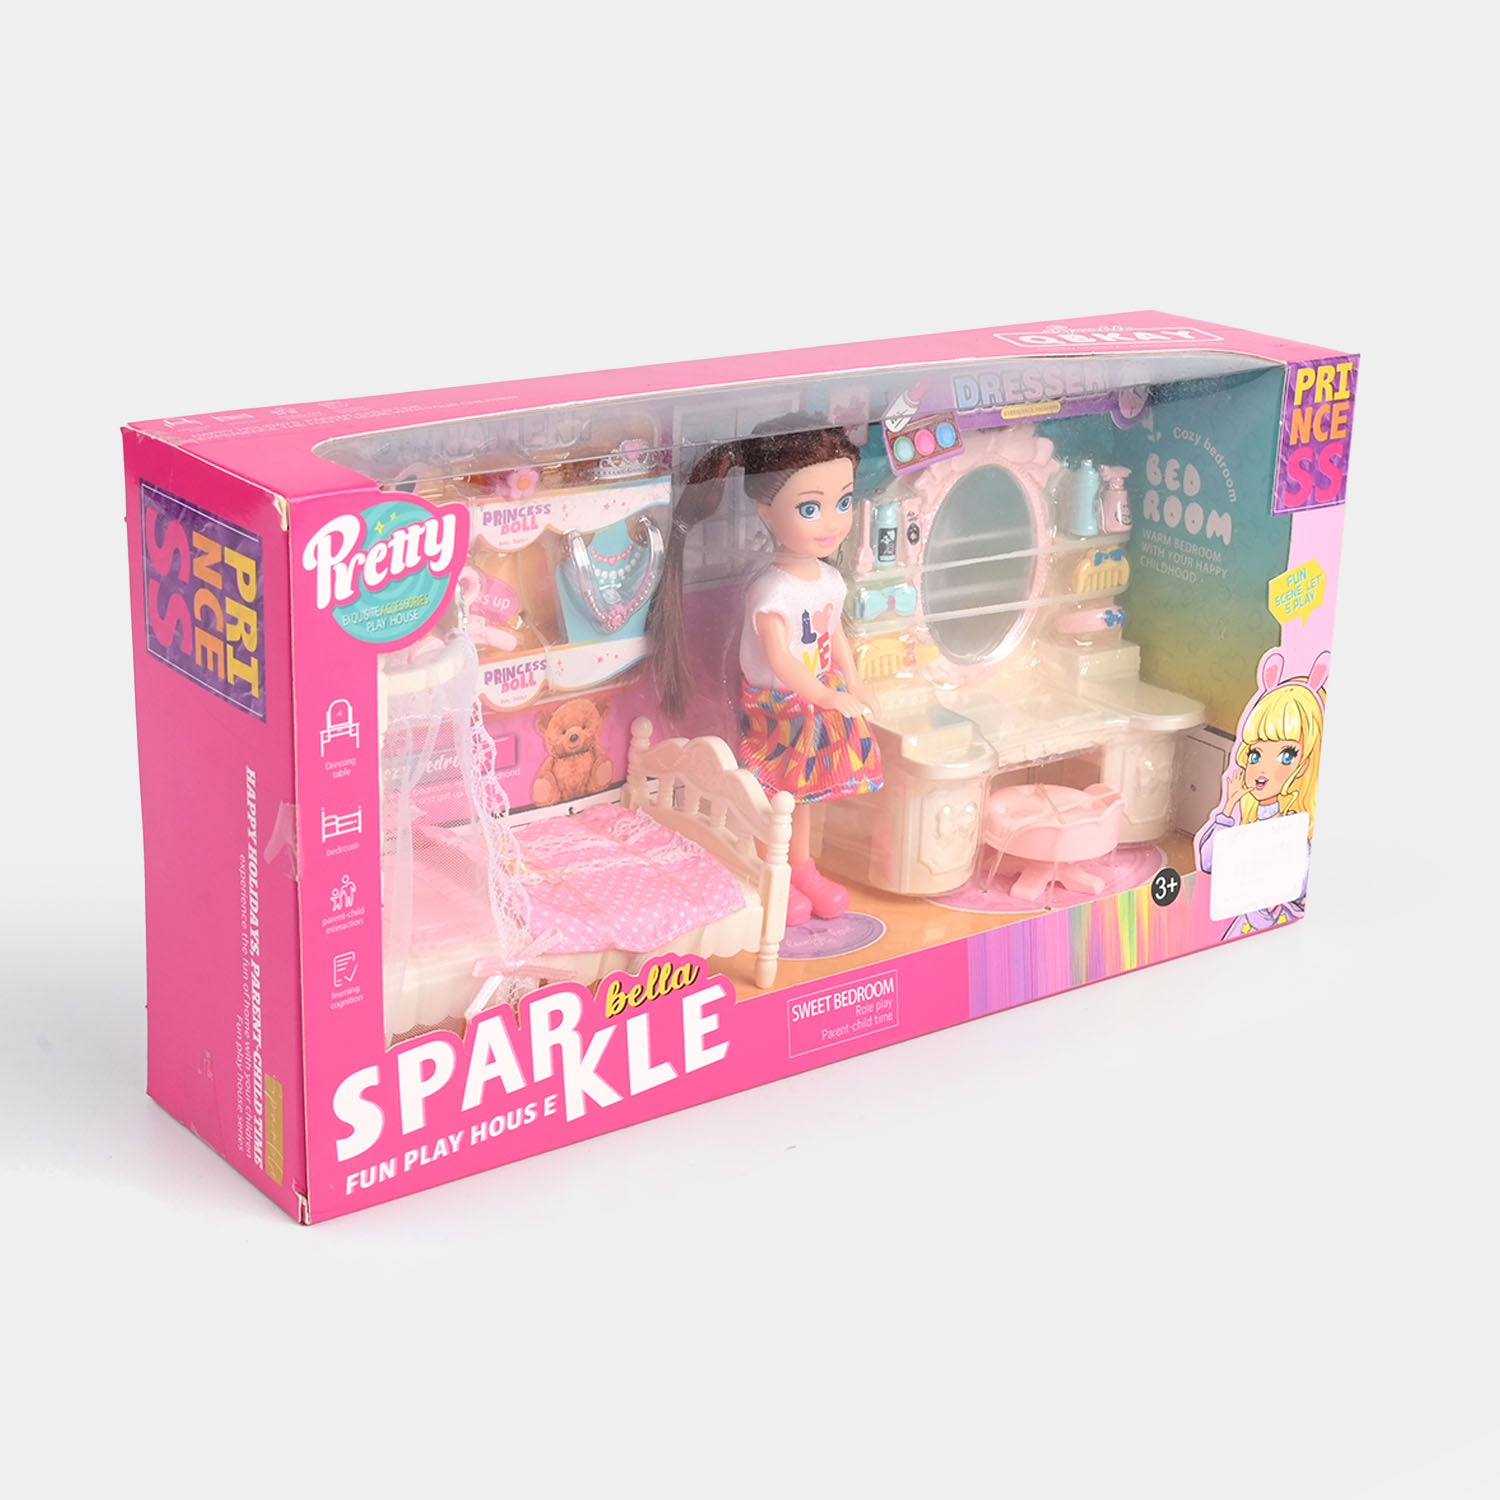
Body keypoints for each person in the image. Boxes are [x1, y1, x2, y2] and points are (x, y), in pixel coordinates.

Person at [648, 414, 883, 925]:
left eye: (844, 502)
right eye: (810, 508)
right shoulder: (771, 589)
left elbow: (836, 635)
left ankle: (801, 866)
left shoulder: (828, 579)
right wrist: (825, 696)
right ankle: (767, 868)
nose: (832, 522)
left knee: (807, 793)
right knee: (773, 792)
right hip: (778, 705)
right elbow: (778, 658)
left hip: (818, 699)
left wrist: (854, 683)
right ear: (765, 511)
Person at [1197, 650, 1327, 936]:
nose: (1261, 769)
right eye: (1255, 754)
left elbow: (1296, 886)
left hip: (1275, 932)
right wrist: (1229, 807)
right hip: (1241, 927)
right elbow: (1208, 862)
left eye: (1286, 755)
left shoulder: (1293, 825)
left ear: (1305, 764)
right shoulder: (1249, 816)